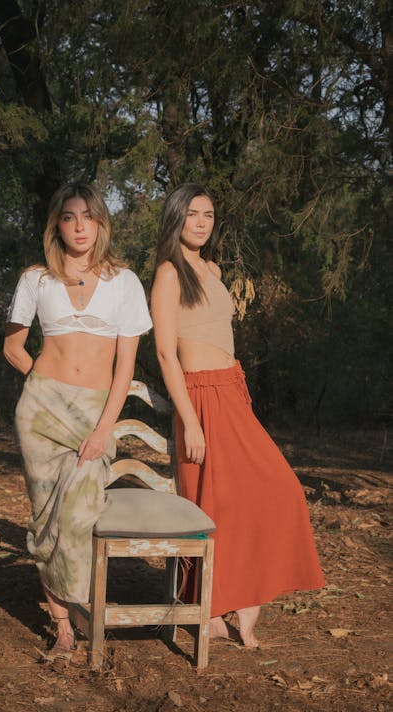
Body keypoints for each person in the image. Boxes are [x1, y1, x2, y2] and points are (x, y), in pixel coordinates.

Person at [151, 183, 324, 648]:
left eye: (208, 214)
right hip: (200, 397)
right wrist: (189, 419)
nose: (202, 222)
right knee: (213, 504)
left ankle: (247, 598)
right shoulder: (169, 273)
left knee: (279, 488)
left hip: (231, 390)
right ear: (176, 218)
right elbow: (166, 353)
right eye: (193, 214)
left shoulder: (213, 268)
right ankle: (210, 609)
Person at [4, 182, 152, 656]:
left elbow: (125, 367)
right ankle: (64, 626)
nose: (80, 225)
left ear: (101, 223)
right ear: (57, 225)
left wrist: (105, 426)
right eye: (69, 217)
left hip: (94, 410)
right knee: (46, 517)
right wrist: (41, 389)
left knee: (80, 509)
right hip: (41, 412)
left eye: (88, 216)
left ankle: (83, 607)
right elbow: (12, 346)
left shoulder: (124, 282)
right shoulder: (36, 279)